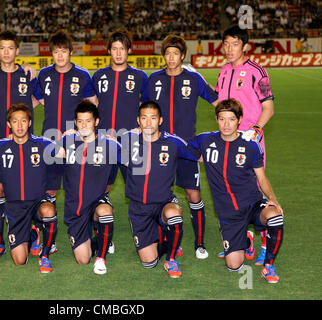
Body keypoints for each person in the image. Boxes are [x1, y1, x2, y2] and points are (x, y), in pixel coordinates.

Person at [188, 99, 284, 283]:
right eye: (222, 119)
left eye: (231, 119)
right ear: (216, 119)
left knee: (275, 216)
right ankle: (246, 240)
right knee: (234, 266)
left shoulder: (251, 145)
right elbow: (186, 149)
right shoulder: (206, 140)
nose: (226, 124)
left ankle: (268, 266)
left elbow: (262, 178)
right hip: (229, 213)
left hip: (253, 204)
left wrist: (272, 198)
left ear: (239, 120)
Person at [142, 35, 218, 259]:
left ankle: (200, 243)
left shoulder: (193, 79)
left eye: (175, 53)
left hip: (186, 147)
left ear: (182, 56)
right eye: (167, 53)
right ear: (163, 56)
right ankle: (165, 239)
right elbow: (142, 108)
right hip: (159, 147)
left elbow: (217, 102)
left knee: (193, 194)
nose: (171, 57)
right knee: (158, 194)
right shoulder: (154, 79)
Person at [215, 25, 275, 264]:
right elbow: (220, 102)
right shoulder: (223, 71)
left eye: (235, 44)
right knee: (233, 192)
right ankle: (242, 241)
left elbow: (268, 108)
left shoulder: (256, 71)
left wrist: (255, 130)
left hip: (250, 140)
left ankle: (265, 247)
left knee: (257, 192)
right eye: (226, 44)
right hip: (228, 141)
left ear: (245, 46)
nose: (229, 49)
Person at [0, 30, 39, 259]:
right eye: (2, 48)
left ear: (17, 50)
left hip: (23, 144)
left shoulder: (27, 75)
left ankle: (31, 234)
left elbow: (40, 99)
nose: (6, 52)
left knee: (26, 190)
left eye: (11, 48)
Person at [122, 101, 198, 278]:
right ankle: (164, 238)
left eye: (153, 118)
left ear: (160, 120)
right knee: (149, 263)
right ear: (138, 120)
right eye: (144, 118)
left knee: (174, 214)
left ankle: (171, 258)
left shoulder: (173, 143)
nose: (148, 123)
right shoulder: (128, 142)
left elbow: (199, 155)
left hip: (164, 202)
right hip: (139, 208)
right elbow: (101, 146)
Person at [0, 103, 58, 272]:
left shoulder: (42, 143)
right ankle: (32, 234)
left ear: (29, 123)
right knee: (20, 260)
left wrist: (80, 136)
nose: (19, 125)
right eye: (15, 121)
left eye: (23, 121)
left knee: (49, 210)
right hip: (15, 207)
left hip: (38, 201)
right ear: (8, 124)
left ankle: (44, 255)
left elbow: (66, 153)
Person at [34, 29, 98, 202]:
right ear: (51, 54)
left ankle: (79, 225)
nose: (60, 56)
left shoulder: (82, 75)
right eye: (56, 52)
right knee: (50, 188)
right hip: (50, 136)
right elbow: (40, 99)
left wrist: (83, 131)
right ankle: (48, 224)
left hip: (76, 139)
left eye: (63, 51)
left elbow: (93, 104)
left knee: (77, 187)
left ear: (71, 52)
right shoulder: (44, 74)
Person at [58, 100, 118, 275]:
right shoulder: (67, 140)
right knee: (83, 260)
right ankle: (101, 239)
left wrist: (136, 134)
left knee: (105, 211)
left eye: (88, 121)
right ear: (75, 123)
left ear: (97, 122)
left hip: (96, 202)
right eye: (80, 121)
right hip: (75, 208)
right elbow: (45, 151)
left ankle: (101, 258)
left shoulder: (109, 143)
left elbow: (129, 158)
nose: (84, 125)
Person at [92, 30, 148, 188]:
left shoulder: (140, 76)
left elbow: (147, 106)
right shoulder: (98, 76)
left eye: (122, 49)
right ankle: (100, 212)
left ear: (129, 50)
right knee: (102, 185)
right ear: (108, 51)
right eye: (114, 49)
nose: (118, 53)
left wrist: (140, 127)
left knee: (137, 184)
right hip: (104, 137)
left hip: (131, 138)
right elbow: (92, 104)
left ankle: (142, 213)